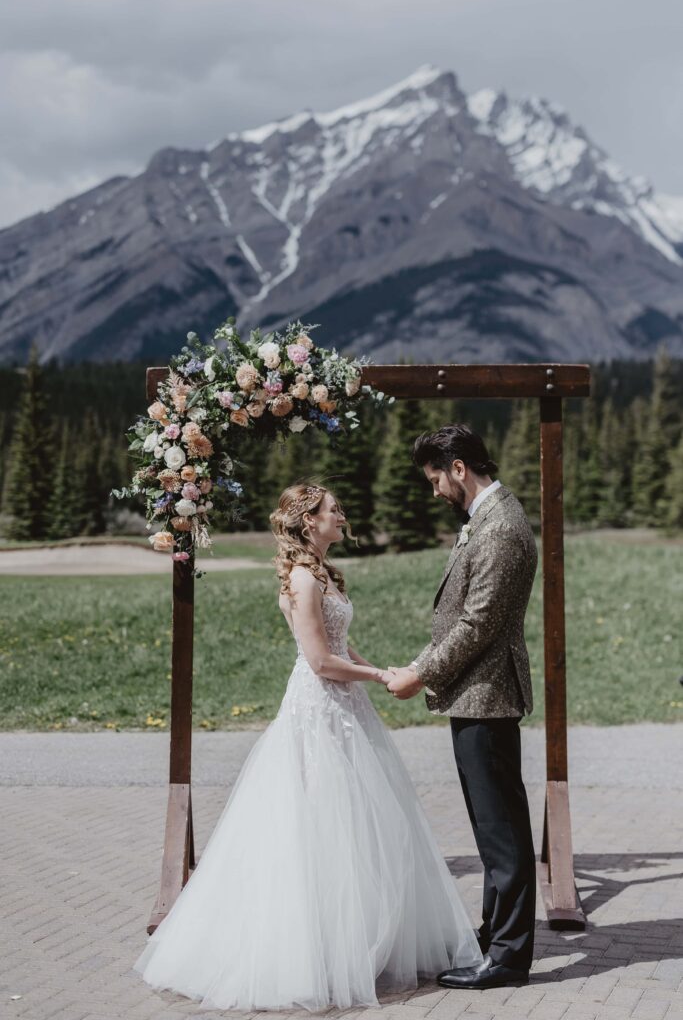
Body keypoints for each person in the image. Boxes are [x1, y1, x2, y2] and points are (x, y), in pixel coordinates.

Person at [134, 482, 481, 1011]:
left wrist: (379, 670)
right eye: (332, 511)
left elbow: (339, 644)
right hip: (319, 708)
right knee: (318, 823)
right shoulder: (301, 577)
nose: (341, 516)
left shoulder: (323, 573)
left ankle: (356, 945)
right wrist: (376, 674)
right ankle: (313, 955)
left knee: (358, 824)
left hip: (346, 708)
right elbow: (320, 661)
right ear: (307, 522)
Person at [387, 425, 538, 990]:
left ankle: (509, 958)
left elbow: (478, 623)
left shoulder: (499, 527)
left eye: (435, 480)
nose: (434, 492)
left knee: (501, 832)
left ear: (457, 468)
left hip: (488, 695)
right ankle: (493, 938)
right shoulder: (487, 520)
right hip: (478, 693)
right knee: (492, 826)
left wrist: (420, 672)